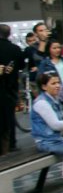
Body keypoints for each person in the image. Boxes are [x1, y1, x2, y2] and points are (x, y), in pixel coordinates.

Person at [0, 24, 23, 154]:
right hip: (11, 86)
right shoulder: (15, 48)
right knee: (10, 115)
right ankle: (12, 142)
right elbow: (20, 65)